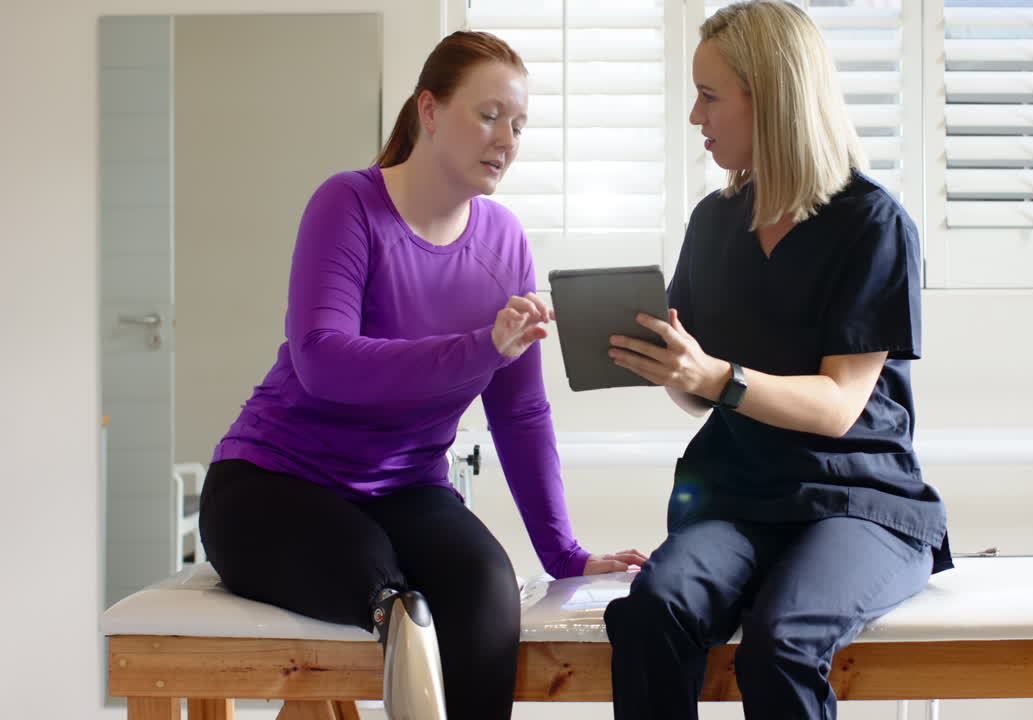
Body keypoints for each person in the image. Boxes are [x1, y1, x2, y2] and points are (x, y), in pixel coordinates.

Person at [197, 30, 646, 720]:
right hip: (274, 484)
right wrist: (481, 348)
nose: (507, 138)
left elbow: (520, 415)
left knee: (486, 585)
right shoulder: (348, 204)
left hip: (406, 487)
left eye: (519, 124)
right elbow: (321, 360)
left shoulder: (504, 241)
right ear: (429, 111)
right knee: (385, 584)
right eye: (489, 114)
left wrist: (564, 554)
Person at [602, 3, 952, 718]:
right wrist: (679, 373)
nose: (695, 116)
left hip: (859, 501)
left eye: (709, 95)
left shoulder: (872, 224)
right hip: (739, 496)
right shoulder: (713, 224)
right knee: (650, 612)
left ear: (771, 95)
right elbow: (700, 389)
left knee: (780, 640)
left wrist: (714, 378)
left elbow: (837, 405)